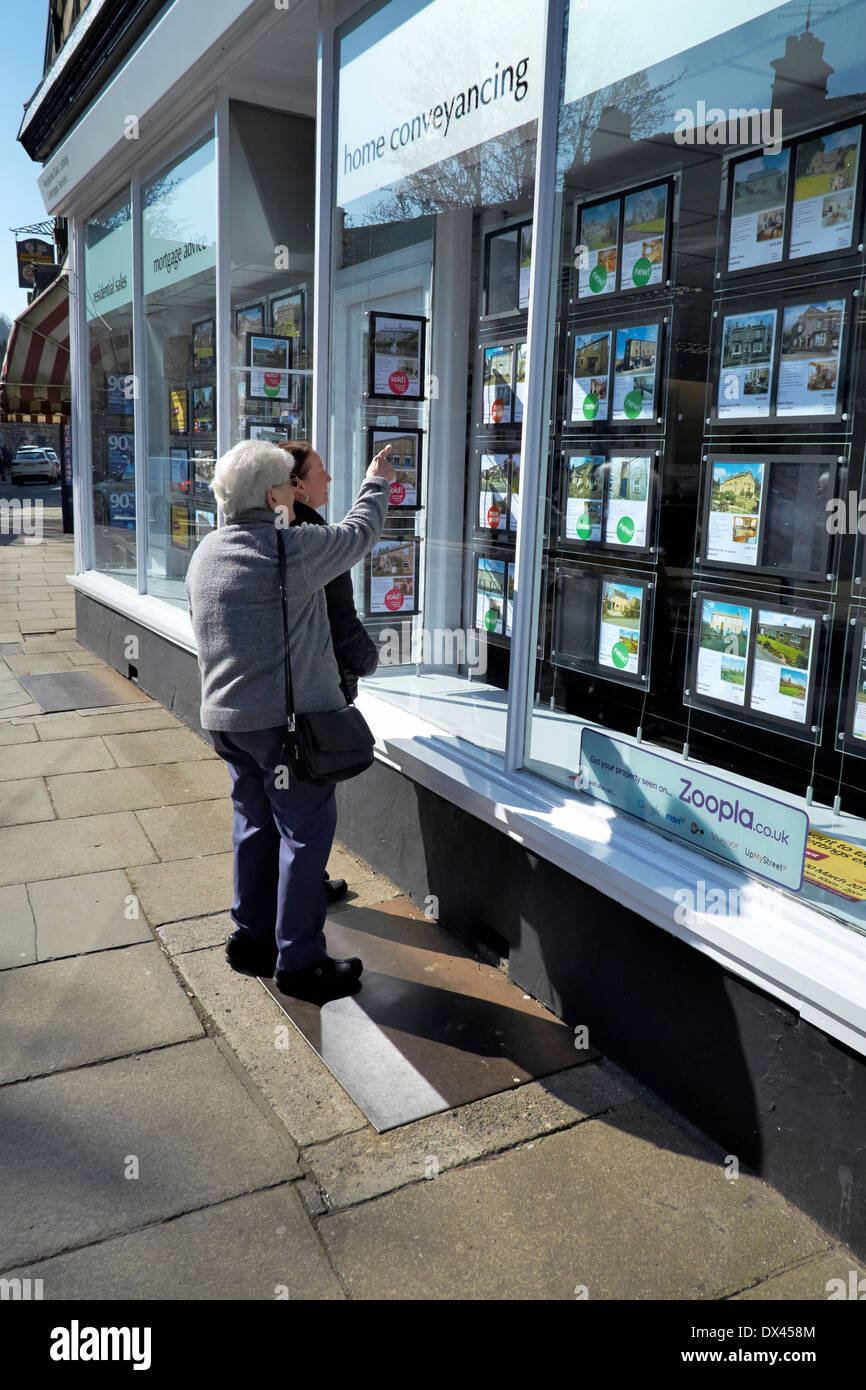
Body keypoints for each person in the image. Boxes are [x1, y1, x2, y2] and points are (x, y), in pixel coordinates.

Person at [185, 437, 395, 1004]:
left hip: (227, 722)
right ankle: (300, 963)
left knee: (253, 825)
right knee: (304, 838)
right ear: (274, 493)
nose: (292, 494)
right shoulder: (287, 552)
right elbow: (358, 535)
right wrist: (374, 482)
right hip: (281, 729)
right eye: (286, 484)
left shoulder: (206, 552)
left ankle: (252, 940)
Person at [279, 440, 380, 906]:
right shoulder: (312, 536)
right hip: (311, 696)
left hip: (264, 697)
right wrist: (367, 661)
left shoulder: (266, 531)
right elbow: (342, 616)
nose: (328, 479)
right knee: (310, 807)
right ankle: (303, 902)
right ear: (296, 485)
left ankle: (269, 904)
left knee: (270, 807)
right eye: (320, 471)